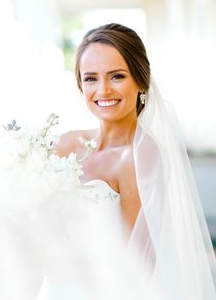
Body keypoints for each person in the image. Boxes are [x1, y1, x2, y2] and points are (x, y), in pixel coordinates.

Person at [47, 23, 216, 300]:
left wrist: (58, 262)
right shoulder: (65, 143)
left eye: (117, 76)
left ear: (141, 80)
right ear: (79, 84)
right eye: (90, 78)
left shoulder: (144, 155)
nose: (103, 90)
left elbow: (134, 264)